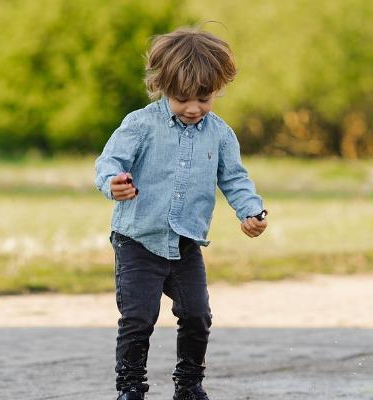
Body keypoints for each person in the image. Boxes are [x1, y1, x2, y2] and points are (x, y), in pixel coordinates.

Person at [95, 26, 268, 400]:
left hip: (187, 243)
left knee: (197, 316)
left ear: (218, 88)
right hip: (138, 240)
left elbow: (235, 178)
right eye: (181, 98)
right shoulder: (141, 124)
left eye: (204, 98)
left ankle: (189, 386)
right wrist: (113, 183)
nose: (193, 108)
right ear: (161, 86)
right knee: (139, 318)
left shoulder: (220, 134)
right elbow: (109, 163)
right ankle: (130, 388)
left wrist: (251, 211)